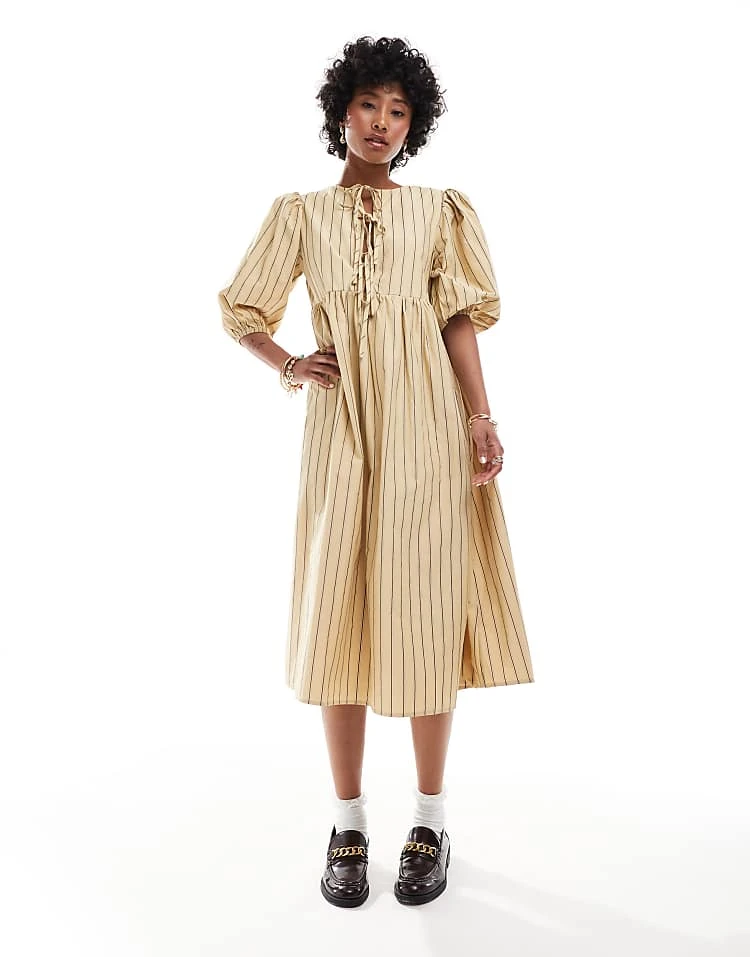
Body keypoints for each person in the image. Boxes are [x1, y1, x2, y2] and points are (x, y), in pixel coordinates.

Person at [217, 35, 535, 908]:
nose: (382, 123)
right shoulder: (299, 213)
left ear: (413, 125)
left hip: (428, 427)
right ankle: (348, 821)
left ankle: (430, 819)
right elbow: (242, 306)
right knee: (339, 613)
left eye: (399, 111)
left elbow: (457, 318)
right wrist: (290, 363)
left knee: (426, 606)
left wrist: (479, 414)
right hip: (342, 430)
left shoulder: (439, 210)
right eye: (369, 105)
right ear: (342, 112)